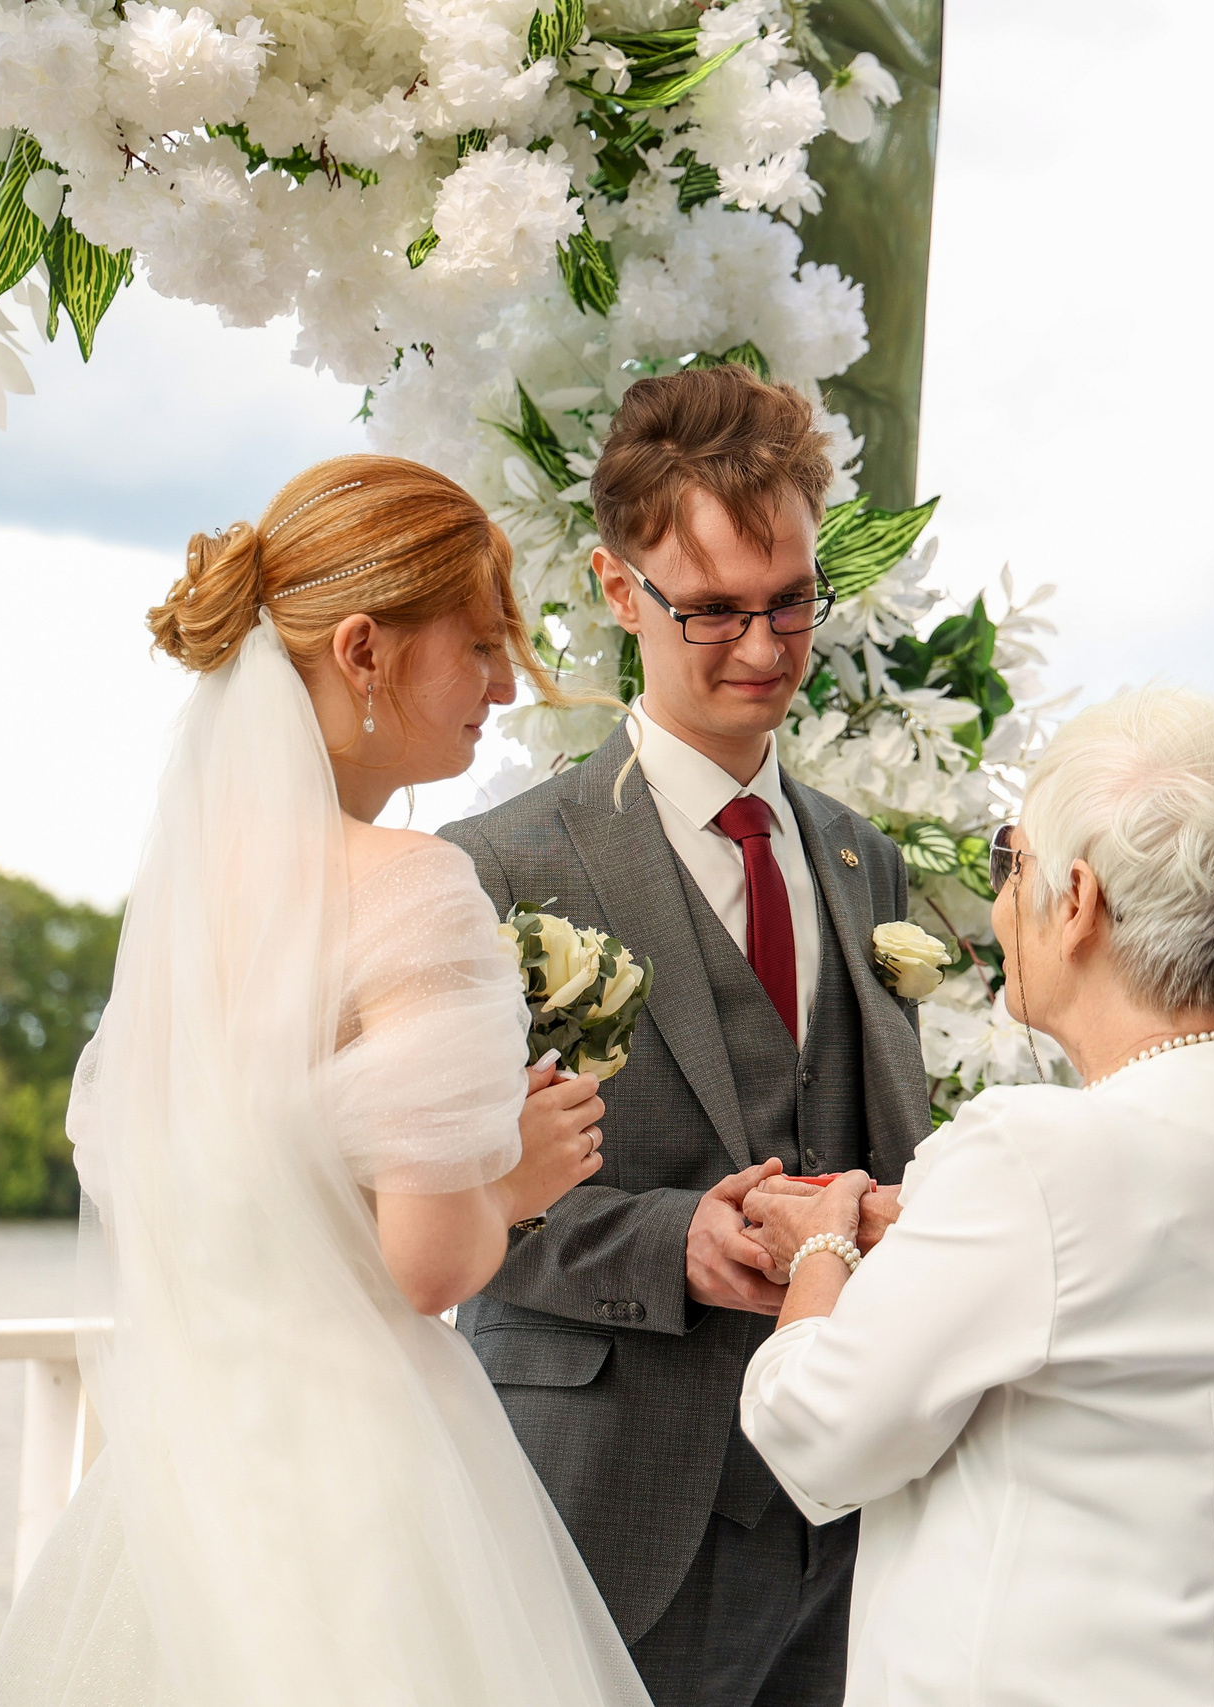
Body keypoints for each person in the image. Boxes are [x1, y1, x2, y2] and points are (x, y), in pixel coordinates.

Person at [0, 457, 650, 1707]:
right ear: (363, 651)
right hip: (358, 1474)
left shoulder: (190, 904)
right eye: (482, 644)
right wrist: (521, 1172)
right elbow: (430, 1265)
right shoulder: (408, 884)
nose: (502, 687)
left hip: (182, 1482)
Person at [736, 688, 1214, 1707]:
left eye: (1006, 862)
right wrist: (928, 1238)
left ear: (1075, 900)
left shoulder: (1033, 1155)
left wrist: (820, 1251)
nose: (998, 897)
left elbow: (815, 1433)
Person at [439, 364, 934, 1707]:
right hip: (608, 1510)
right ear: (617, 589)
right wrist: (680, 1240)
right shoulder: (495, 867)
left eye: (792, 603)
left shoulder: (863, 859)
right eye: (713, 612)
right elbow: (444, 1209)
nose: (766, 650)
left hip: (851, 1533)